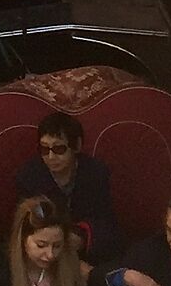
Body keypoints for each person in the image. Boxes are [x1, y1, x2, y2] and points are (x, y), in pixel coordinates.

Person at [16, 110, 123, 262]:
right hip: (46, 253)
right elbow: (28, 224)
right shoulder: (29, 176)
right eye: (45, 150)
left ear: (77, 146)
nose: (51, 157)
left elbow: (106, 222)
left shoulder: (96, 173)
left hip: (88, 252)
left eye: (59, 149)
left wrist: (82, 237)